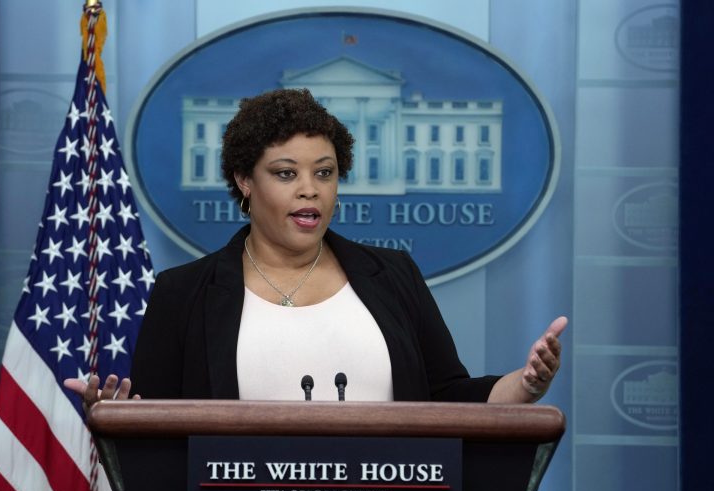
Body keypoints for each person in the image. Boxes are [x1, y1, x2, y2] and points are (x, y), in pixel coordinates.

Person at [65, 88, 566, 407]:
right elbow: (158, 430)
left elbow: (448, 398)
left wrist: (525, 384)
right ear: (244, 180)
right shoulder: (183, 293)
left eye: (324, 173)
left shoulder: (392, 275)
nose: (311, 190)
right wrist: (117, 417)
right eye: (287, 174)